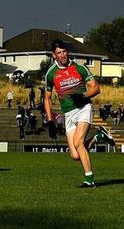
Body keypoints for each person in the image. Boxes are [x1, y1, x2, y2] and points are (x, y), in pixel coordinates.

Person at [43, 39, 100, 188]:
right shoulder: (51, 73)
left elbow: (96, 88)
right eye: (59, 53)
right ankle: (97, 137)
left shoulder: (79, 68)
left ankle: (89, 179)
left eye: (64, 51)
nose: (62, 55)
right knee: (75, 155)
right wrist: (50, 121)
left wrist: (83, 96)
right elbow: (47, 98)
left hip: (83, 108)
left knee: (78, 143)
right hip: (68, 113)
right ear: (53, 55)